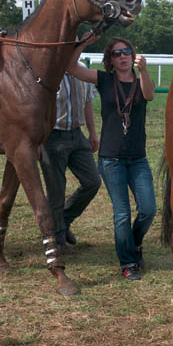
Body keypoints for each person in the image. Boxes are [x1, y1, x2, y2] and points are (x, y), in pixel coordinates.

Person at [68, 38, 156, 281]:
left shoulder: (141, 81)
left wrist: (144, 70)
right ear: (111, 60)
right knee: (122, 214)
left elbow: (149, 96)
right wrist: (84, 43)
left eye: (127, 52)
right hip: (111, 159)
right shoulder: (104, 80)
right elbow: (71, 68)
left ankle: (134, 243)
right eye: (117, 54)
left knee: (148, 209)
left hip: (138, 158)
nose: (123, 56)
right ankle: (128, 263)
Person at [38, 72, 101, 256]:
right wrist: (37, 140)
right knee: (56, 190)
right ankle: (57, 240)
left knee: (92, 182)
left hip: (77, 134)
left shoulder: (81, 72)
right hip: (53, 137)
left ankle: (63, 221)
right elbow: (38, 109)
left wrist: (92, 132)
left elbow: (87, 102)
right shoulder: (50, 73)